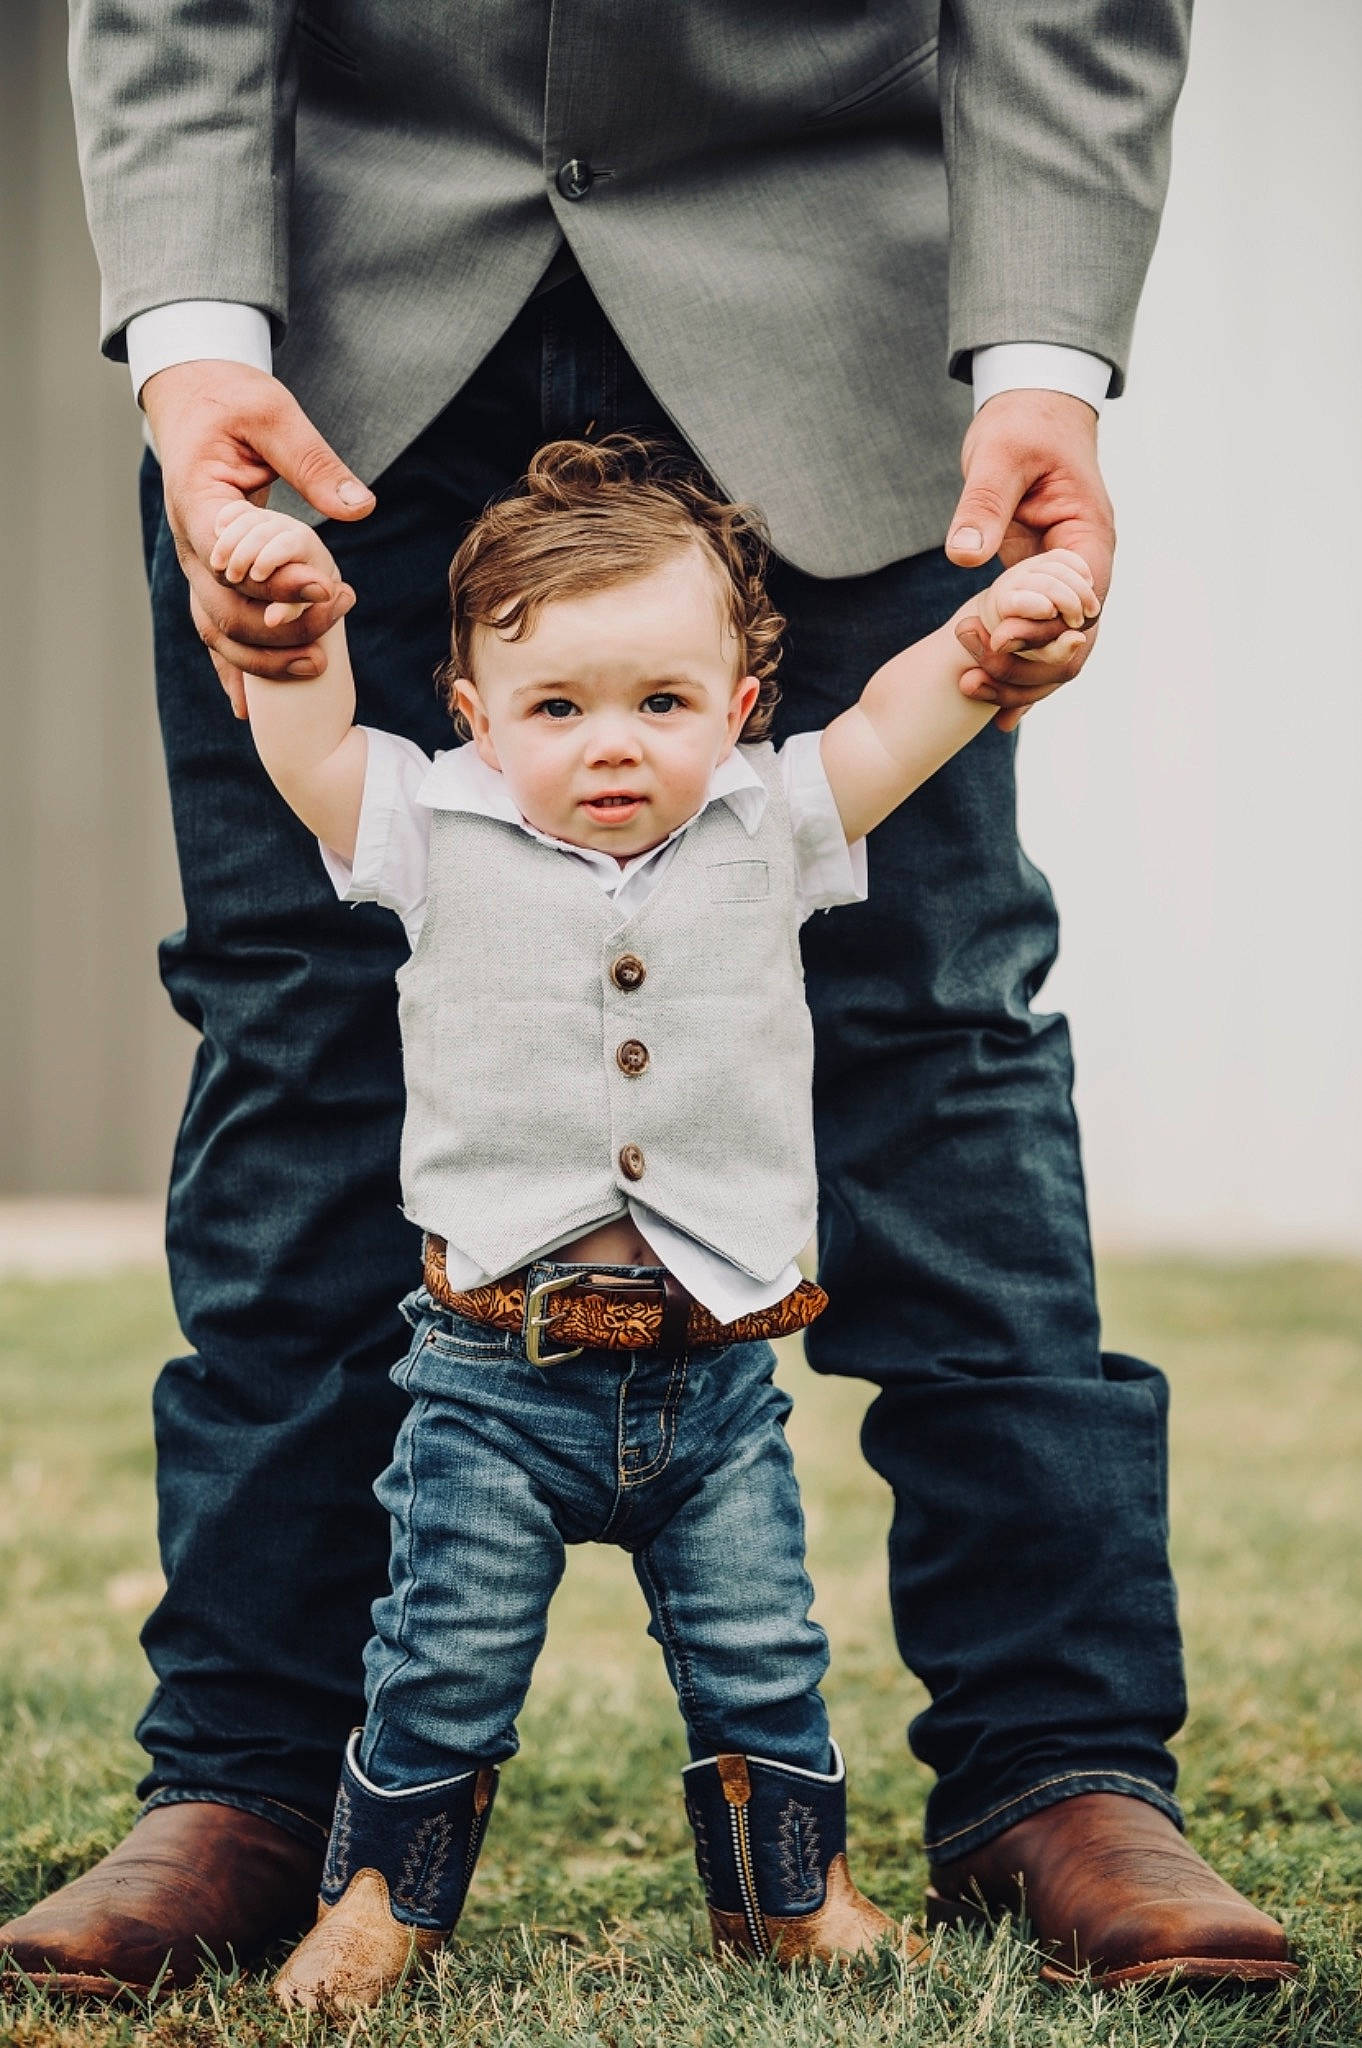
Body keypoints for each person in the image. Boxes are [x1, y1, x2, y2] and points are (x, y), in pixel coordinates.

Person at [2, 0, 1296, 1999]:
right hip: (335, 331)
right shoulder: (405, 753)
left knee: (936, 1030)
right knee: (292, 1020)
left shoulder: (785, 775)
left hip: (827, 309)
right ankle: (246, 1779)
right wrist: (194, 351)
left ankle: (1059, 1762)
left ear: (742, 708)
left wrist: (1042, 363)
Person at [216, 435, 1097, 2012]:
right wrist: (292, 636)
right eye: (558, 708)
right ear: (478, 720)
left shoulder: (776, 820)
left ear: (739, 707)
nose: (610, 746)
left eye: (662, 704)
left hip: (715, 1374)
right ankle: (378, 1901)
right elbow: (310, 746)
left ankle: (789, 1898)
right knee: (444, 1652)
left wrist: (985, 643)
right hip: (493, 1374)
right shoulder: (430, 821)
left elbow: (900, 718)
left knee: (760, 1647)